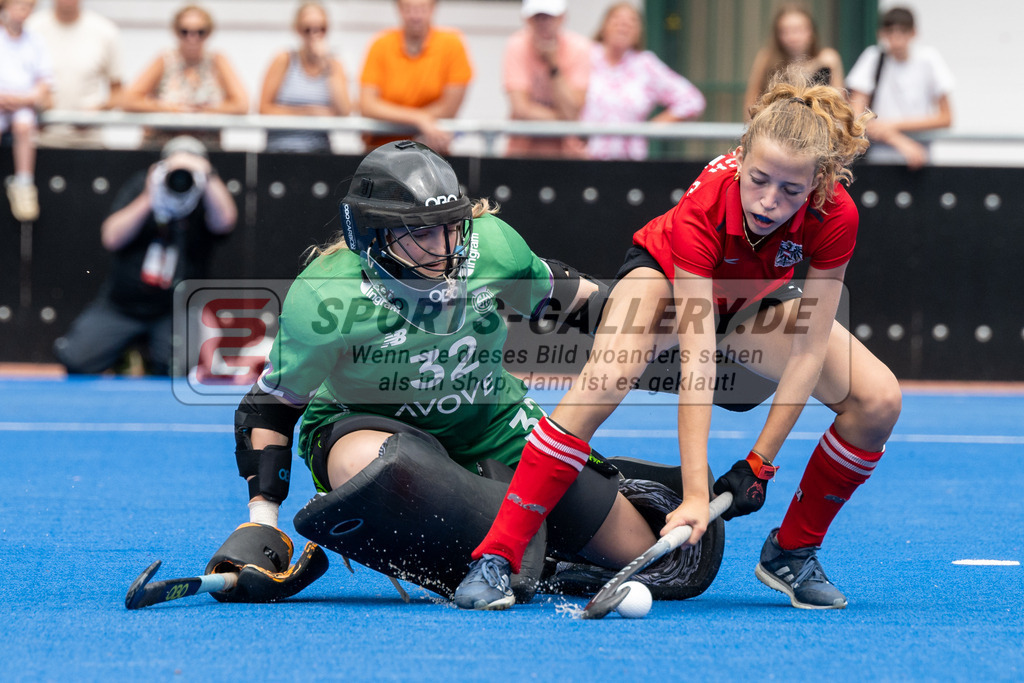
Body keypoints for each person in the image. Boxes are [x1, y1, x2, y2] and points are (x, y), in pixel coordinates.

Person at [200, 141, 726, 611]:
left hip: (493, 423)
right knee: (369, 465)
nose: (447, 247)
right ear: (374, 235)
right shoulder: (323, 296)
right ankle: (508, 538)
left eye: (453, 226)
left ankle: (534, 548)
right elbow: (270, 405)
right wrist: (263, 519)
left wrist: (699, 335)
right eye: (423, 233)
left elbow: (581, 304)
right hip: (365, 427)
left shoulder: (492, 246)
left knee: (649, 553)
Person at [456, 69, 902, 611]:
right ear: (740, 156)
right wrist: (695, 492)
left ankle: (792, 551)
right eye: (758, 179)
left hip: (750, 298)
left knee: (878, 399)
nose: (768, 201)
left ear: (820, 181)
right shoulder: (707, 205)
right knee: (607, 376)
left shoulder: (835, 216)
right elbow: (698, 359)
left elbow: (808, 349)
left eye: (790, 190)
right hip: (668, 277)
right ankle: (498, 555)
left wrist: (760, 463)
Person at [52, 135, 237, 375]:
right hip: (121, 306)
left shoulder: (207, 194)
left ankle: (150, 355)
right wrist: (150, 196)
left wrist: (208, 177)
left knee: (179, 370)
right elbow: (111, 237)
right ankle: (127, 352)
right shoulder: (144, 186)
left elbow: (225, 223)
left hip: (174, 310)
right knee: (76, 360)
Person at [579, 2, 705, 161]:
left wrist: (650, 128)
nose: (623, 26)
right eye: (617, 20)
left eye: (631, 22)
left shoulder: (645, 65)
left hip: (629, 161)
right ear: (603, 25)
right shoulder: (584, 55)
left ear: (639, 32)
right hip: (583, 158)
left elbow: (692, 100)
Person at [121, 4, 248, 147]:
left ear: (209, 33)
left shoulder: (217, 61)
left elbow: (242, 104)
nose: (192, 38)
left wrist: (206, 111)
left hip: (206, 148)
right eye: (185, 31)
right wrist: (170, 109)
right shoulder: (165, 60)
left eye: (200, 32)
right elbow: (129, 100)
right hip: (163, 145)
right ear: (176, 32)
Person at [358, 0, 472, 154]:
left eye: (422, 8)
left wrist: (409, 118)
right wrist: (419, 119)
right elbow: (368, 105)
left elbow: (450, 106)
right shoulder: (380, 44)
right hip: (382, 151)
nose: (415, 16)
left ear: (433, 9)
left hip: (431, 149)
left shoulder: (452, 44)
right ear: (399, 9)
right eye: (408, 9)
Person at [847, 7, 953, 170]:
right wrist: (898, 140)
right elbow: (857, 117)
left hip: (920, 159)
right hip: (878, 160)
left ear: (913, 33)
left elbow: (946, 117)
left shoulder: (929, 60)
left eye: (902, 32)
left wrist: (891, 127)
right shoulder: (873, 58)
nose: (896, 40)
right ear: (882, 34)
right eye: (890, 33)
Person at [26, 0, 123, 149]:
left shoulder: (104, 30)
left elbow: (118, 91)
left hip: (90, 142)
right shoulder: (30, 27)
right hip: (39, 141)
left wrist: (98, 110)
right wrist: (37, 102)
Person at [259, 2, 351, 153]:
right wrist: (308, 113)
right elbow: (264, 108)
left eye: (321, 29)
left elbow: (344, 111)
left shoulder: (334, 65)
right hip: (281, 148)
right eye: (307, 29)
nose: (314, 35)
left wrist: (326, 64)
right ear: (298, 30)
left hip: (319, 150)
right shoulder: (285, 60)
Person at [503, 0, 590, 158]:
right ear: (528, 20)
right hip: (522, 154)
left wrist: (553, 65)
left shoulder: (580, 47)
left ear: (562, 18)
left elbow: (573, 109)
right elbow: (521, 109)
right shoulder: (516, 44)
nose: (543, 23)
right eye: (538, 17)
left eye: (549, 17)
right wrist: (566, 121)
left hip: (569, 155)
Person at [743, 4, 844, 117]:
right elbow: (752, 101)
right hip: (777, 126)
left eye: (798, 30)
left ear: (811, 32)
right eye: (785, 31)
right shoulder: (767, 59)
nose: (793, 37)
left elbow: (839, 102)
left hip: (820, 126)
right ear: (777, 35)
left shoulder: (828, 59)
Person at [0, 0, 51, 222]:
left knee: (24, 126)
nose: (22, 10)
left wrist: (26, 98)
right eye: (18, 4)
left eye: (28, 5)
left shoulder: (36, 41)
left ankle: (24, 183)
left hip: (24, 104)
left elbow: (44, 81)